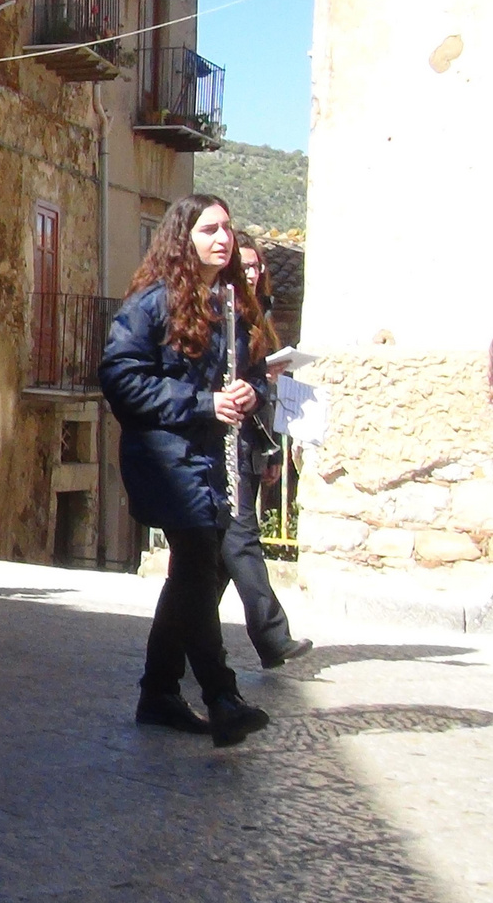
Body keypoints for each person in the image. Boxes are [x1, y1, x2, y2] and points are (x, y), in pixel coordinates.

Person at [99, 193, 274, 750]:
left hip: (208, 458)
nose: (222, 239)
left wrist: (252, 392)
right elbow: (121, 379)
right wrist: (202, 404)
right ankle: (221, 696)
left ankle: (159, 692)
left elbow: (256, 376)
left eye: (227, 228)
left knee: (197, 576)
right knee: (200, 564)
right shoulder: (151, 303)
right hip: (165, 458)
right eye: (209, 230)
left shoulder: (230, 305)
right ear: (184, 238)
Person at [213, 234, 313, 669]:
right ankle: (272, 637)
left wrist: (272, 455)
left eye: (257, 268)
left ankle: (182, 636)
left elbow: (262, 394)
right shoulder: (223, 315)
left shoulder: (259, 317)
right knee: (242, 538)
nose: (252, 273)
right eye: (246, 266)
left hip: (255, 437)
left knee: (216, 558)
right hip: (228, 439)